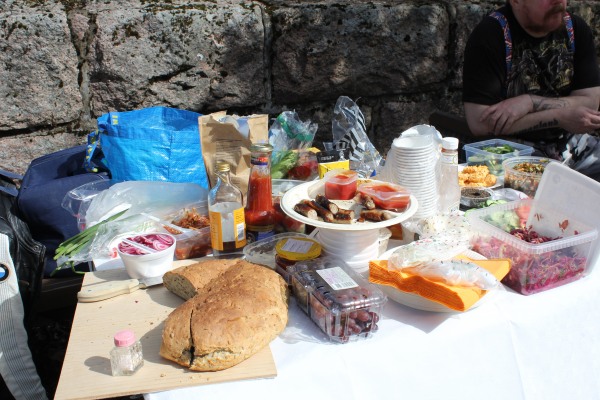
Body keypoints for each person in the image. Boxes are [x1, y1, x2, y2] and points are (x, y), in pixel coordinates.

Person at [462, 0, 600, 180]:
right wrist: (559, 116)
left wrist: (531, 103)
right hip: (515, 152)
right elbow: (480, 122)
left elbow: (590, 102)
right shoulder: (492, 34)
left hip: (573, 145)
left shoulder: (574, 28)